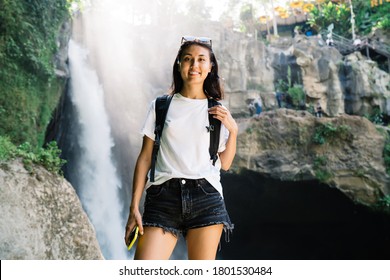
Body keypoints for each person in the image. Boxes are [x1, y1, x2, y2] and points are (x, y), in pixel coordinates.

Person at [124, 36, 237, 260]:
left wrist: (233, 131)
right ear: (179, 64)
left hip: (206, 197)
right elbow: (145, 158)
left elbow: (225, 164)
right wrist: (134, 208)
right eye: (188, 59)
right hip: (163, 197)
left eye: (201, 60)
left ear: (210, 67)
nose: (194, 65)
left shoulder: (217, 111)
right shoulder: (161, 106)